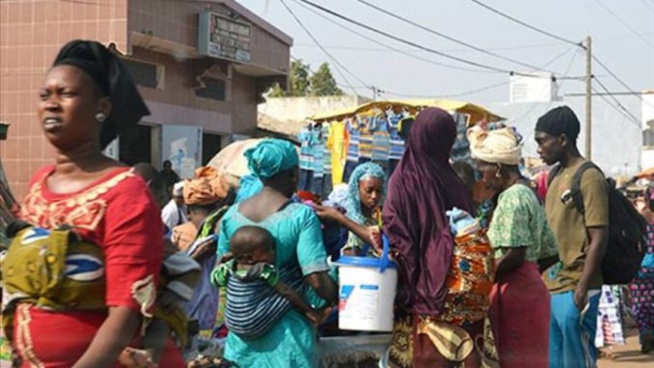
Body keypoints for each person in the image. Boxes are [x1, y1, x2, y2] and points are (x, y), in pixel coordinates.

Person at [2, 40, 184, 367]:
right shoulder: (38, 185)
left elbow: (126, 314)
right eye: (46, 95)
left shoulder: (124, 193)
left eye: (67, 94)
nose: (52, 104)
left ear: (102, 107)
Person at [217, 139, 338, 368]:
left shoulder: (230, 216)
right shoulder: (300, 216)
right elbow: (316, 279)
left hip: (241, 342)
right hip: (287, 339)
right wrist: (338, 295)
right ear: (293, 174)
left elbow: (224, 271)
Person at [382, 108, 484, 367]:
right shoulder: (456, 182)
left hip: (425, 296)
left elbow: (399, 241)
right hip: (462, 289)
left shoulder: (403, 181)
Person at [468, 125, 557, 368]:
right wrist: (531, 276)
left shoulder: (512, 197)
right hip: (532, 292)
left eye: (483, 170)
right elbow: (551, 251)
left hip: (512, 295)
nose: (482, 179)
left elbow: (514, 254)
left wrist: (479, 280)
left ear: (497, 168)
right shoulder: (529, 192)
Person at [535, 106, 609, 368]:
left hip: (578, 286)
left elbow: (599, 236)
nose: (539, 149)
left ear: (563, 140)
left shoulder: (588, 177)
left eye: (542, 141)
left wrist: (582, 287)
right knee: (556, 361)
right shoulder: (554, 176)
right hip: (553, 286)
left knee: (577, 360)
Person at [211, 226, 329, 338]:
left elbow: (214, 280)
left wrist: (221, 261)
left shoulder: (227, 268)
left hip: (233, 323)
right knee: (296, 283)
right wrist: (308, 311)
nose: (273, 253)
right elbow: (285, 291)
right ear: (249, 258)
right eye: (268, 250)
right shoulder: (264, 270)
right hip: (253, 323)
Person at [316, 162, 385, 256]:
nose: (374, 196)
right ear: (356, 188)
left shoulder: (374, 222)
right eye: (369, 190)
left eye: (378, 191)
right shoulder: (347, 221)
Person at [631, 185, 654, 354]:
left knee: (641, 305)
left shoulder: (639, 219)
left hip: (641, 270)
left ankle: (646, 336)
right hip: (643, 269)